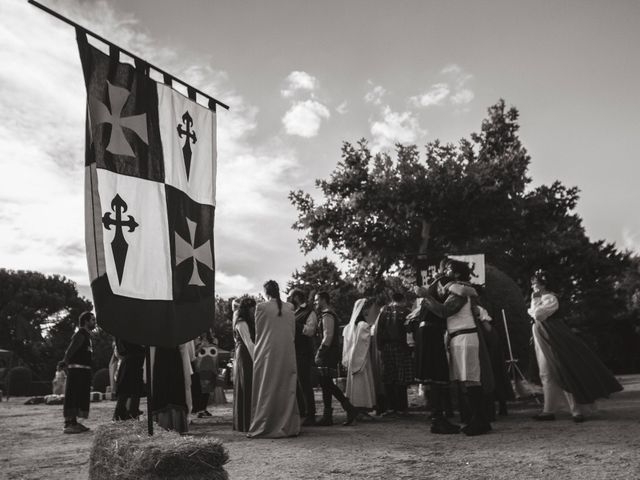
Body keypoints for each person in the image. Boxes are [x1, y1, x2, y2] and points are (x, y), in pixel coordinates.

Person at [529, 269, 623, 422]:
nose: (533, 287)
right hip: (542, 334)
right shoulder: (541, 297)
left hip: (554, 335)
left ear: (543, 285)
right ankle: (549, 410)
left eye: (535, 284)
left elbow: (539, 315)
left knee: (563, 368)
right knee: (546, 372)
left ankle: (577, 410)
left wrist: (535, 301)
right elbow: (536, 316)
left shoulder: (550, 298)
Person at [421, 260, 494, 436]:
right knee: (466, 380)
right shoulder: (458, 288)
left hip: (464, 336)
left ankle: (480, 420)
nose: (445, 271)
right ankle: (478, 419)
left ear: (458, 274)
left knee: (470, 379)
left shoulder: (460, 290)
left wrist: (426, 297)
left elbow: (445, 311)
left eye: (449, 269)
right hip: (459, 337)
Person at [410, 266, 460, 434]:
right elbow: (443, 310)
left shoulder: (435, 284)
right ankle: (437, 419)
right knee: (437, 375)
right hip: (431, 331)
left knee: (433, 376)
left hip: (425, 331)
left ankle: (436, 417)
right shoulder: (445, 283)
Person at [248, 280, 300, 438]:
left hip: (268, 352)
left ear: (265, 292)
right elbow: (292, 331)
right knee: (286, 386)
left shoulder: (261, 307)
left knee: (267, 386)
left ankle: (267, 423)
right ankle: (287, 424)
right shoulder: (290, 307)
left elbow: (260, 333)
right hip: (287, 351)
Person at [312, 291, 357, 427]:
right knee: (326, 383)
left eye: (317, 300)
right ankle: (330, 415)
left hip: (328, 353)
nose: (315, 302)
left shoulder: (327, 315)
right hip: (329, 352)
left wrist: (320, 352)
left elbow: (328, 336)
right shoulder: (327, 314)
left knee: (326, 383)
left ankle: (348, 408)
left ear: (323, 300)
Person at [375, 292, 414, 417]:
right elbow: (410, 331)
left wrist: (379, 346)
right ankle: (401, 407)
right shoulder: (407, 312)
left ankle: (391, 407)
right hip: (402, 347)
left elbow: (378, 330)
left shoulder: (384, 311)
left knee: (388, 376)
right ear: (403, 299)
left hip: (386, 347)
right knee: (401, 377)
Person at [60, 310, 95, 434]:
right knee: (73, 395)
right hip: (76, 371)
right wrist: (64, 362)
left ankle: (74, 422)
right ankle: (68, 424)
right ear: (86, 321)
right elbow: (70, 350)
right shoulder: (80, 334)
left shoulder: (87, 336)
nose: (94, 322)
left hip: (84, 371)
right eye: (92, 320)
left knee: (80, 396)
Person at [342, 298, 377, 416]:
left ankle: (354, 405)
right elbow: (365, 342)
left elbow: (347, 344)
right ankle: (362, 405)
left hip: (353, 357)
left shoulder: (349, 326)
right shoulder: (363, 325)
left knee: (356, 383)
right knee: (363, 381)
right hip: (362, 358)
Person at [151, 342, 194, 434]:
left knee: (173, 390)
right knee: (166, 390)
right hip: (166, 359)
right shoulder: (177, 332)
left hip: (171, 359)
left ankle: (166, 424)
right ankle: (170, 424)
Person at [290, 289, 318, 426]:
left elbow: (311, 331)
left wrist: (297, 326)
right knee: (296, 383)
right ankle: (301, 411)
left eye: (291, 296)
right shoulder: (293, 312)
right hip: (294, 351)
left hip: (304, 352)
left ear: (296, 297)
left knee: (305, 383)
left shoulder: (309, 312)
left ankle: (311, 414)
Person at [233, 297, 256, 432]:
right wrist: (257, 360)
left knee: (249, 386)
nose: (254, 312)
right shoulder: (241, 323)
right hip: (245, 355)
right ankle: (246, 422)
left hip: (246, 353)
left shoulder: (246, 322)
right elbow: (248, 343)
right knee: (247, 386)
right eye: (252, 309)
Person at [113, 338, 145, 420]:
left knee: (127, 390)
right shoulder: (125, 333)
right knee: (132, 390)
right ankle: (131, 414)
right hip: (133, 361)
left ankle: (127, 414)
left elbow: (120, 351)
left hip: (130, 360)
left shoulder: (121, 333)